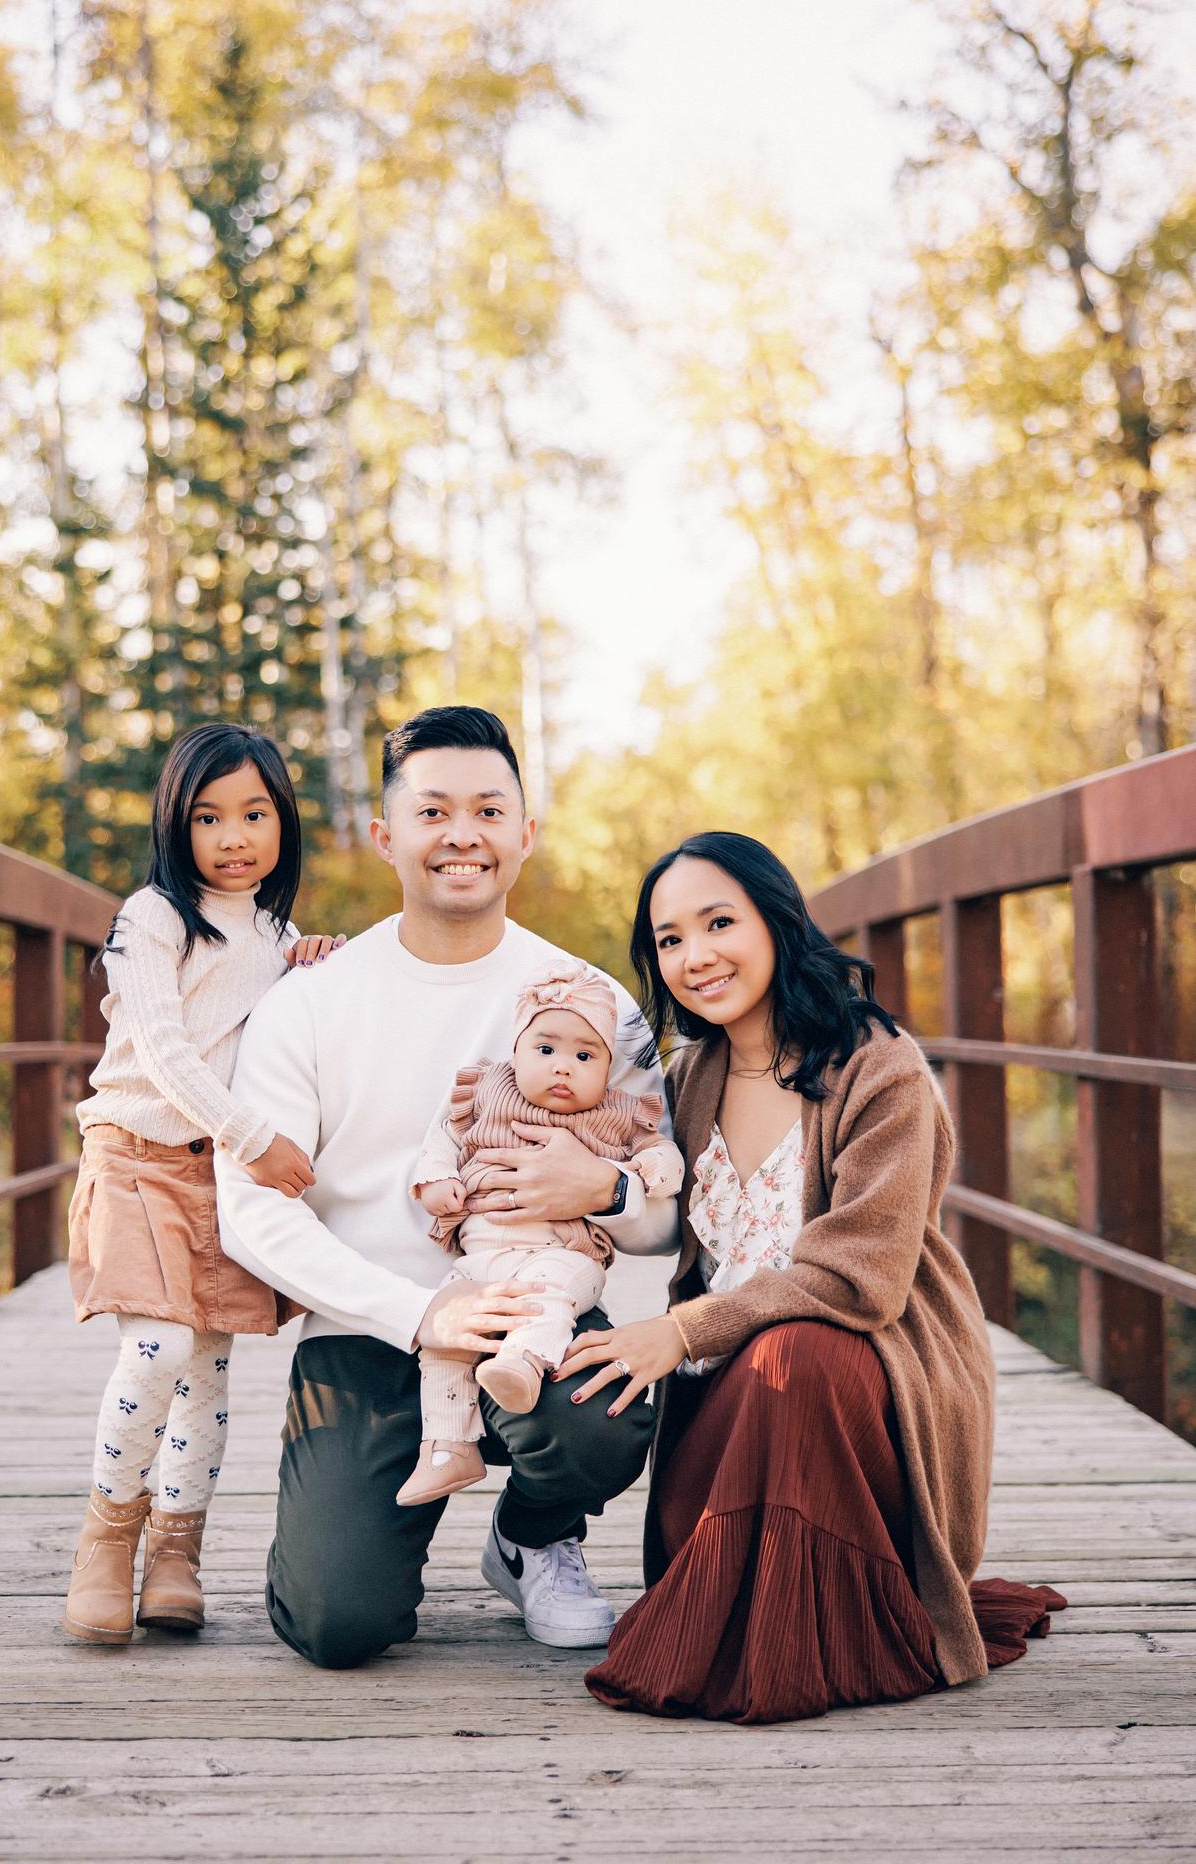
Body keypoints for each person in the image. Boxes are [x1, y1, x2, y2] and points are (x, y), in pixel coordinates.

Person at [558, 831, 1064, 1725]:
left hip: (861, 1376)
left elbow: (856, 1278)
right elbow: (598, 1156)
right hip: (719, 1390)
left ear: (778, 921)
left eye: (719, 922)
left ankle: (828, 1622)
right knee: (733, 1373)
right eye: (669, 939)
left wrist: (676, 1331)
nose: (695, 955)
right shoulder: (688, 1076)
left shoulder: (879, 1065)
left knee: (794, 1353)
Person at [215, 706, 677, 1662]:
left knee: (598, 1424)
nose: (461, 835)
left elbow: (665, 1219)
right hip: (369, 1327)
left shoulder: (590, 1001)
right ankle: (369, 1526)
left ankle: (533, 1535)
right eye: (433, 812)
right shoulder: (311, 999)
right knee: (333, 1625)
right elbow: (250, 1210)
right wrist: (415, 1315)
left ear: (523, 834)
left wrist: (602, 1190)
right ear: (387, 837)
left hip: (534, 1310)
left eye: (488, 810)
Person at [63, 722, 343, 1646]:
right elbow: (162, 1045)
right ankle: (107, 1539)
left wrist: (310, 970)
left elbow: (284, 1036)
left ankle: (176, 1553)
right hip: (139, 1154)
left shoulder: (273, 928)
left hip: (218, 1176)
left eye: (254, 814)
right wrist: (250, 1135)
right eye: (208, 817)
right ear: (174, 826)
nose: (233, 837)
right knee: (158, 1349)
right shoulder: (152, 918)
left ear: (282, 822)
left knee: (209, 1372)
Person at [397, 958, 684, 1507]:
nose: (563, 1068)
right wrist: (434, 1181)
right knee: (445, 1342)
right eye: (545, 1050)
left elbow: (655, 1151)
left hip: (563, 1254)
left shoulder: (619, 1112)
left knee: (546, 1296)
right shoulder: (484, 1088)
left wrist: (654, 1168)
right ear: (517, 1048)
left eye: (584, 1056)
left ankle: (526, 1363)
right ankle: (448, 1445)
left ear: (608, 1069)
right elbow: (445, 1138)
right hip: (478, 1258)